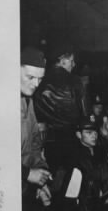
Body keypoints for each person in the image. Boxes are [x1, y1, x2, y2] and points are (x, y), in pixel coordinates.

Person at [34, 44, 86, 179]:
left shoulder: (39, 80)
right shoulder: (75, 81)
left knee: (48, 175)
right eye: (72, 61)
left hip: (47, 139)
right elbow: (85, 112)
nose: (74, 65)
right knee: (71, 178)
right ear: (63, 61)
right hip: (71, 138)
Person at [20, 46, 52, 211]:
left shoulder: (27, 101)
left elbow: (34, 143)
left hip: (23, 188)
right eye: (30, 77)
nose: (35, 84)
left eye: (40, 79)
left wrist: (41, 178)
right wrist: (27, 174)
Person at [53, 116, 99, 211]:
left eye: (95, 132)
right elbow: (70, 197)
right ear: (79, 135)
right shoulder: (77, 160)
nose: (94, 135)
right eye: (89, 132)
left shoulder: (98, 151)